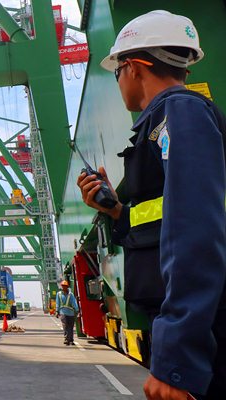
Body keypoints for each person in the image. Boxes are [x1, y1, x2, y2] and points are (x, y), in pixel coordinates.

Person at [77, 10, 226, 399]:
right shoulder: (164, 123)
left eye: (117, 71)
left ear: (134, 68)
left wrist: (178, 358)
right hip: (193, 319)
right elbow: (164, 221)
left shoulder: (181, 112)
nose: (118, 81)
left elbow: (195, 230)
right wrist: (114, 210)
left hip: (205, 327)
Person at [55, 280, 79, 346]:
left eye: (65, 286)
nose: (64, 287)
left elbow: (74, 302)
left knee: (70, 327)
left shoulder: (71, 294)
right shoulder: (59, 294)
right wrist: (57, 311)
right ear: (61, 286)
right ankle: (66, 339)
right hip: (63, 313)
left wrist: (77, 310)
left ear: (67, 286)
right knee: (65, 326)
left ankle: (71, 340)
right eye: (63, 286)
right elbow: (57, 303)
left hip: (71, 313)